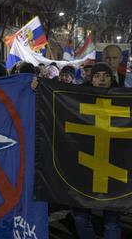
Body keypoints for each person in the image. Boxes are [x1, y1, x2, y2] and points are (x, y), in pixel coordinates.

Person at [72, 62, 122, 238]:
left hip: (113, 166)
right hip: (84, 166)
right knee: (80, 217)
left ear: (112, 79)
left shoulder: (124, 99)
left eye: (106, 75)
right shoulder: (75, 98)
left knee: (112, 220)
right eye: (97, 75)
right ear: (91, 78)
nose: (102, 79)